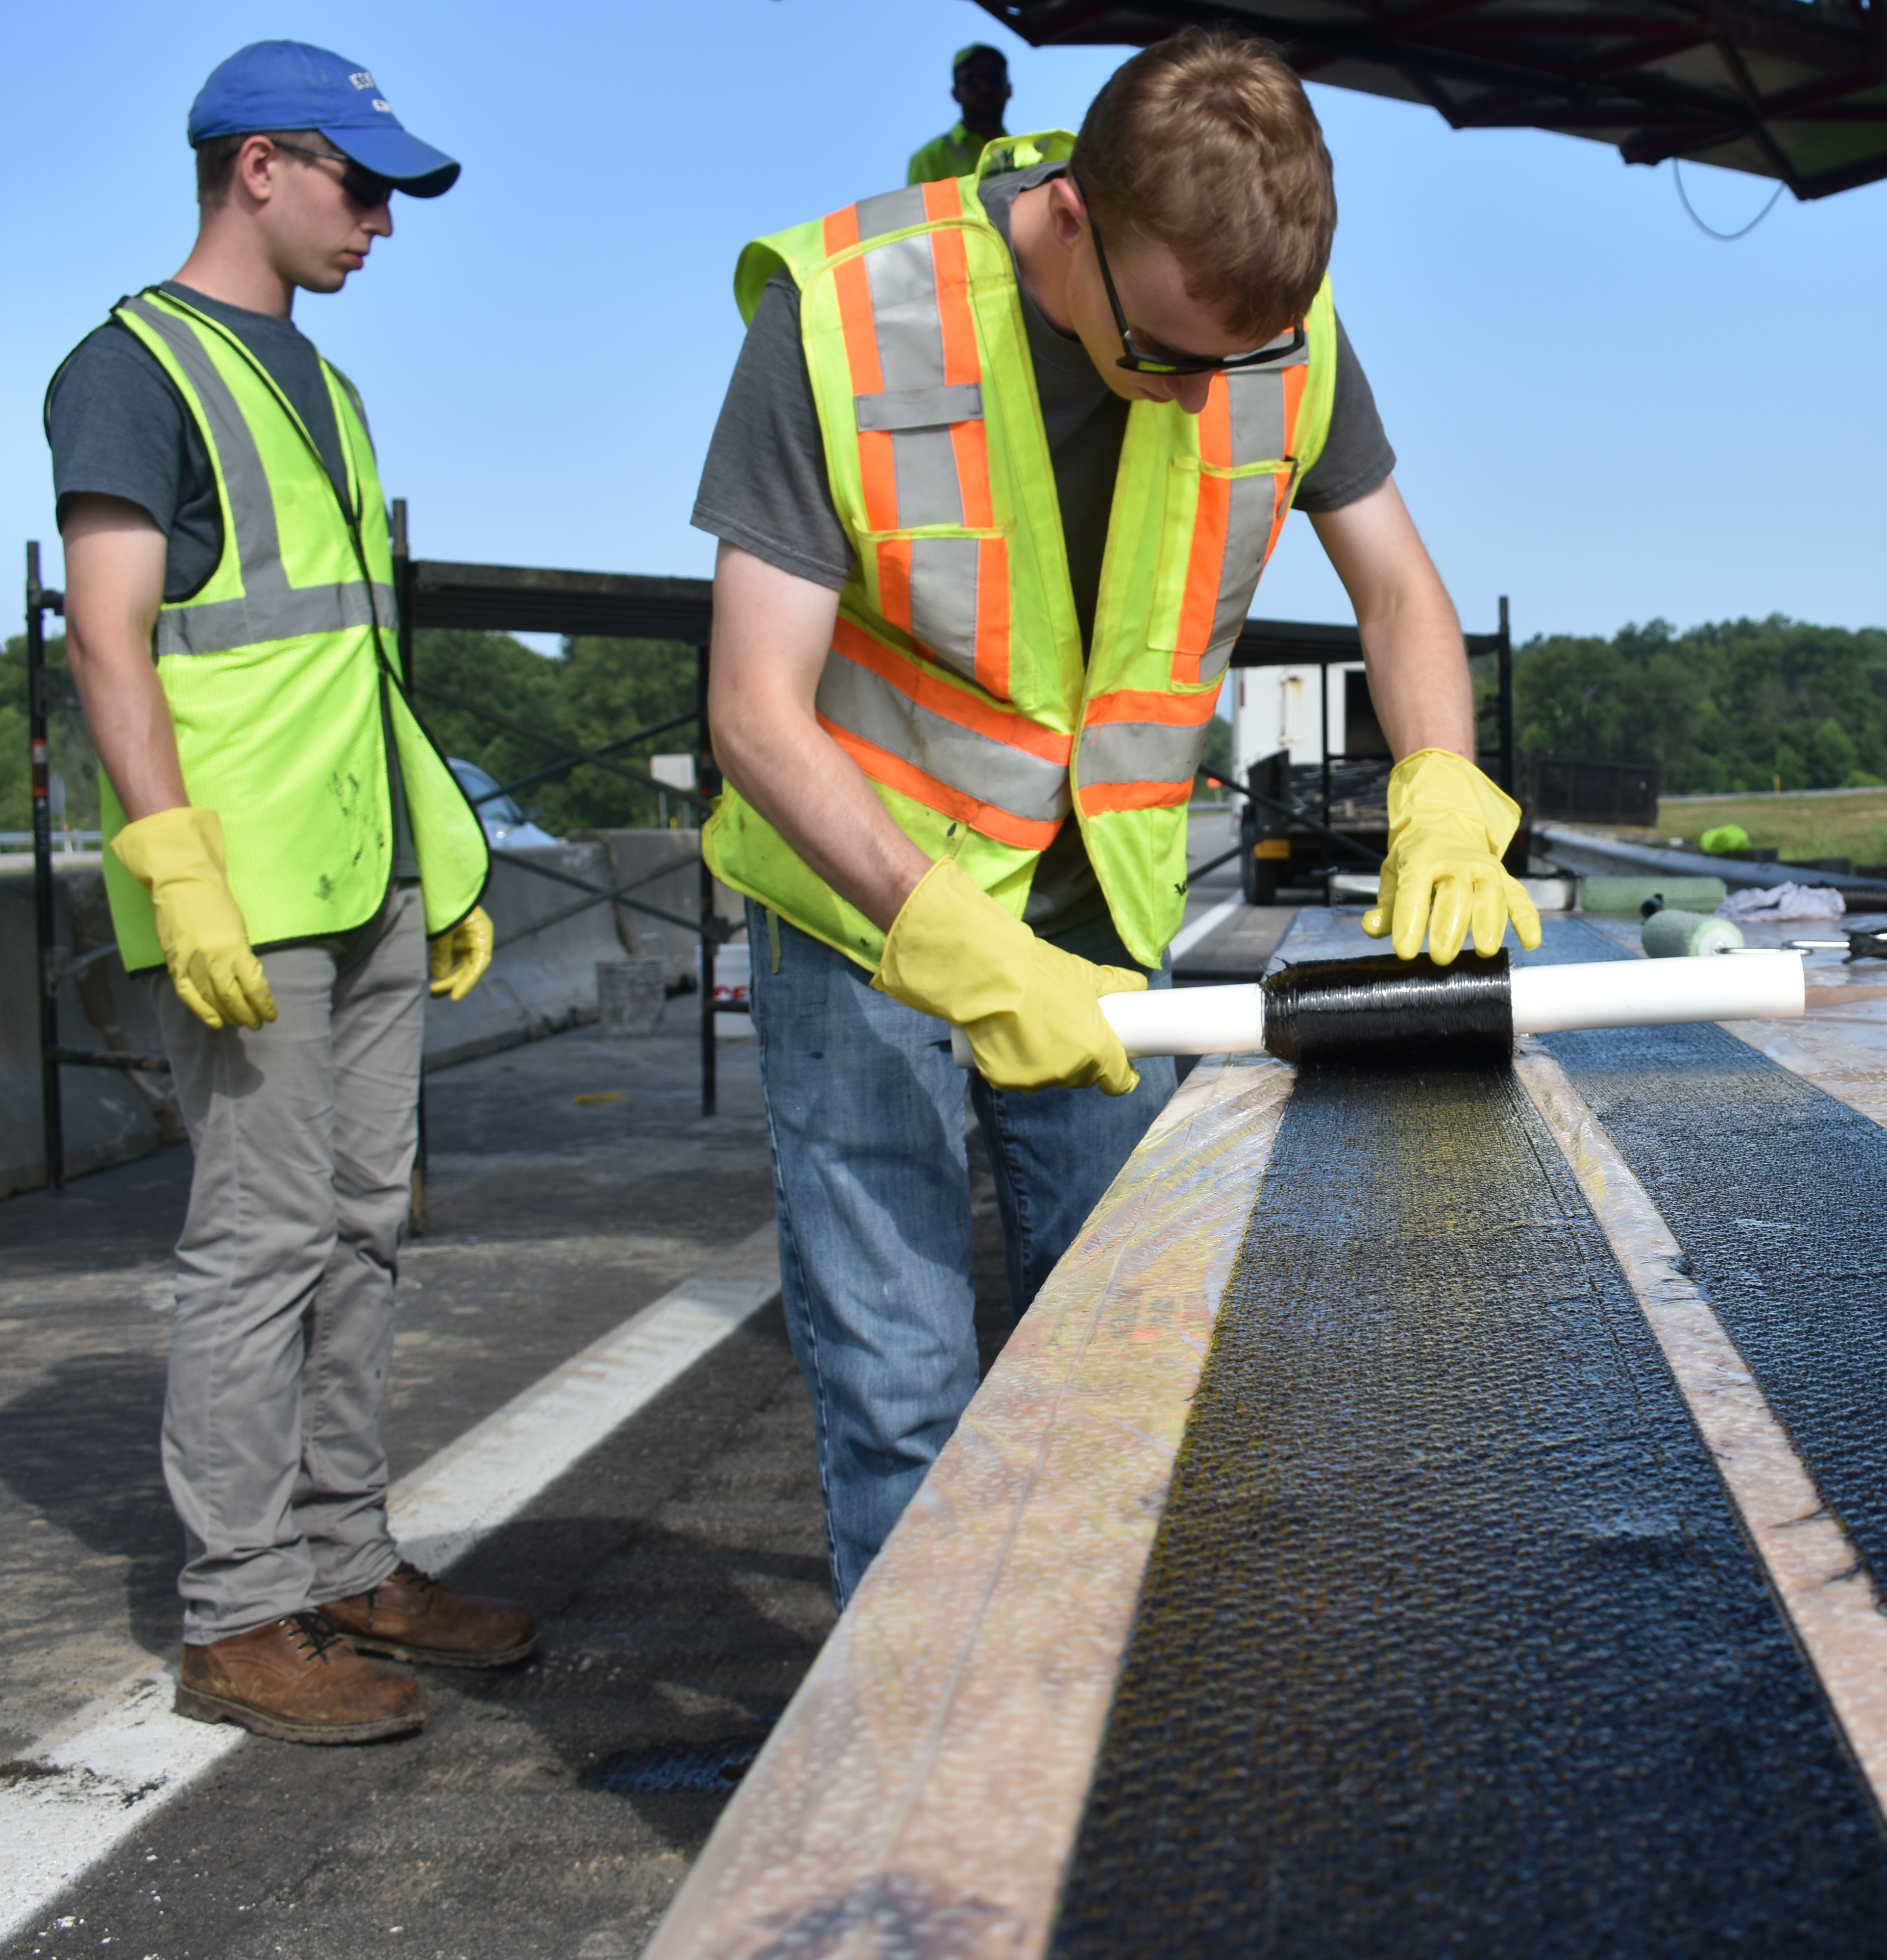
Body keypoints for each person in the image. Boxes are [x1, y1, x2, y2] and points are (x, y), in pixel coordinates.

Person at [697, 29, 1539, 1602]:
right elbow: (753, 704)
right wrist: (938, 934)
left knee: (1119, 1349)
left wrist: (1437, 782)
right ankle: (922, 1775)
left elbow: (1401, 589)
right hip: (868, 907)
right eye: (1160, 352)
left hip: (1096, 905)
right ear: (1072, 219)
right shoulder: (844, 314)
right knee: (901, 1385)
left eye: (1236, 359)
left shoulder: (1274, 330)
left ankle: (1088, 1708)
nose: (1198, 391)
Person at [46, 40, 534, 1746]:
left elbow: (346, 659)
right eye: (360, 181)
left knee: (363, 1229)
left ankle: (345, 1560)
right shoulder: (135, 370)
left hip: (369, 869)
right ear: (259, 166)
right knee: (258, 1248)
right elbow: (109, 636)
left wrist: (440, 858)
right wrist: (171, 862)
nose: (381, 221)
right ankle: (240, 1615)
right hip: (242, 890)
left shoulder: (324, 389)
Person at [906, 43, 1012, 185]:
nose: (986, 87)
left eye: (995, 78)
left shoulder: (1027, 155)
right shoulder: (928, 160)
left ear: (1009, 90)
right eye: (973, 80)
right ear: (956, 94)